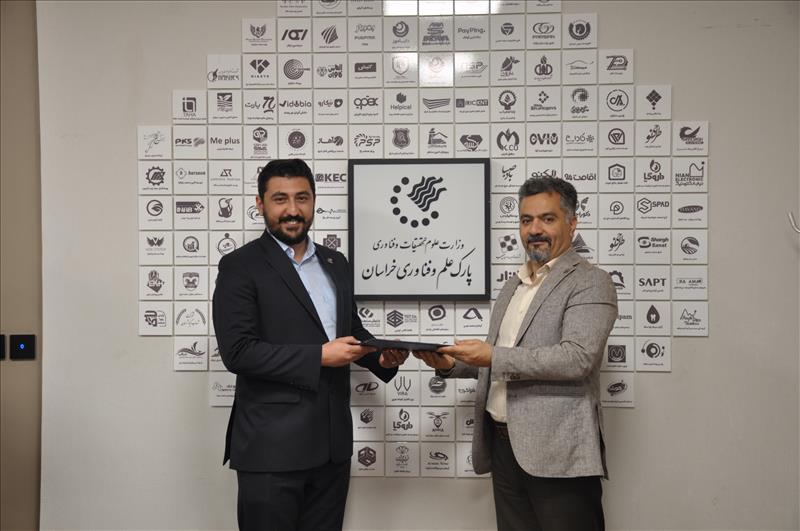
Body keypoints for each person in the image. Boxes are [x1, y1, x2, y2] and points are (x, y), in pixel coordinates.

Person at [213, 158, 407, 531]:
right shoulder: (239, 266)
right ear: (260, 204)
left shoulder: (336, 263)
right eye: (280, 199)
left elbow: (350, 331)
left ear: (314, 200)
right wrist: (319, 356)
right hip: (270, 449)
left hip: (332, 448)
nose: (292, 209)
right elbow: (238, 352)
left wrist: (381, 357)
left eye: (301, 198)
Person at [416, 177, 618, 531]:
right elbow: (501, 360)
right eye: (526, 220)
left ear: (572, 223)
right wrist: (451, 364)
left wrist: (492, 356)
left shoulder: (590, 281)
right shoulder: (514, 284)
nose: (534, 230)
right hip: (503, 448)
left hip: (558, 453)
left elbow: (577, 358)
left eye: (547, 219)